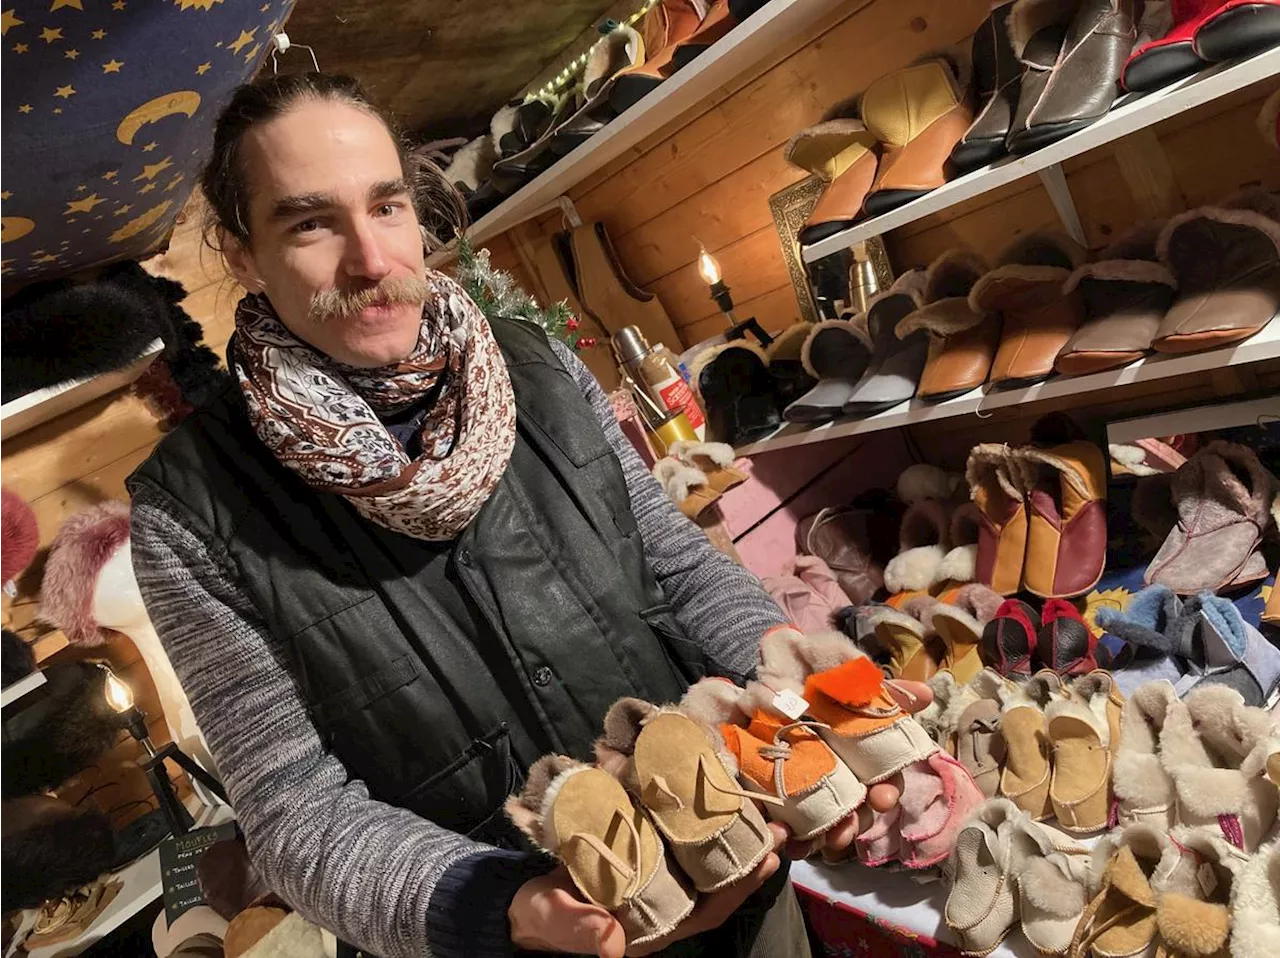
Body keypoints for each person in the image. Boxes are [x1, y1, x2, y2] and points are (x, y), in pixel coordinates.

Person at [128, 73, 919, 958]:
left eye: (388, 206)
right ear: (242, 255)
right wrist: (505, 906)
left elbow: (677, 569)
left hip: (730, 862)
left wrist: (802, 699)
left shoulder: (534, 369)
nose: (372, 257)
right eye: (311, 222)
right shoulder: (191, 510)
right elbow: (291, 806)